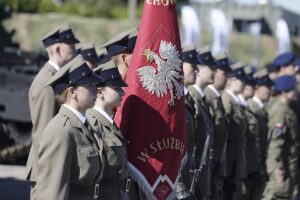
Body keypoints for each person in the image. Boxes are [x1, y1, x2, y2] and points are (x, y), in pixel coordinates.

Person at [34, 55, 104, 200]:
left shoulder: (84, 125)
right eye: (89, 85)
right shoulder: (60, 131)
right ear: (73, 92)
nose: (96, 90)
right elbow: (52, 192)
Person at [26, 22, 79, 197]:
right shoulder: (46, 85)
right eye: (71, 46)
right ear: (58, 49)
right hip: (46, 170)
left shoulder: (55, 79)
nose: (75, 50)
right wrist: (50, 173)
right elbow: (43, 133)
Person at [86, 59, 131, 199]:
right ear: (100, 92)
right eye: (116, 88)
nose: (122, 93)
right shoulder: (92, 123)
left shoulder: (109, 121)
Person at [263, 75, 299, 200]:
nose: (295, 91)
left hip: (289, 165)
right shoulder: (280, 111)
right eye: (292, 89)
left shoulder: (288, 109)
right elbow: (275, 142)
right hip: (282, 167)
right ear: (284, 92)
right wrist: (277, 168)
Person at [188, 46, 217, 200]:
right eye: (211, 67)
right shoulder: (192, 96)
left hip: (202, 168)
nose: (215, 72)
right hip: (193, 169)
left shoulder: (201, 98)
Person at [204, 53, 232, 200]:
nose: (226, 77)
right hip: (210, 163)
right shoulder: (208, 96)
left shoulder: (217, 98)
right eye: (223, 72)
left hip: (217, 163)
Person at [221, 62, 247, 200]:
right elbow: (223, 133)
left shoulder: (234, 101)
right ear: (231, 80)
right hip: (228, 158)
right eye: (240, 79)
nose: (243, 83)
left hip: (234, 158)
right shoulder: (227, 99)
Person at [176, 44, 198, 199]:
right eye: (193, 66)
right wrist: (179, 187)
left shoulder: (187, 98)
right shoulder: (173, 99)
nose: (196, 70)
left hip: (191, 173)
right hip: (177, 182)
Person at [248, 69, 273, 200]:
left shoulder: (262, 110)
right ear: (257, 87)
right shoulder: (252, 108)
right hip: (252, 166)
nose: (270, 90)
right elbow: (252, 140)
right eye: (267, 87)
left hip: (260, 165)